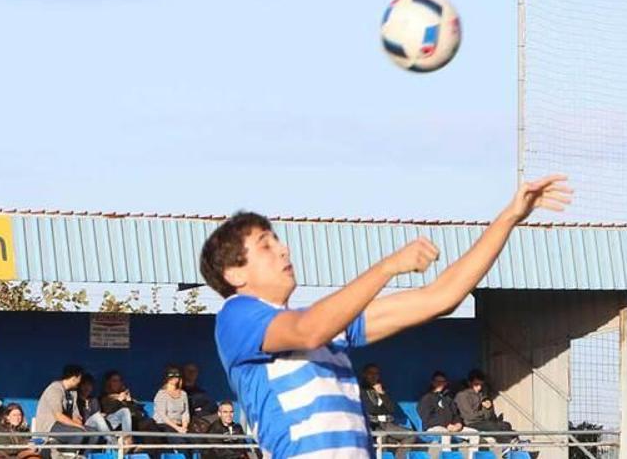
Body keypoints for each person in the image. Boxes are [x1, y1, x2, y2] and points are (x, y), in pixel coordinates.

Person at [201, 175, 569, 458]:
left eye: (277, 240)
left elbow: (439, 298)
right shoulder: (237, 316)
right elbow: (308, 330)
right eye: (266, 244)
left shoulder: (330, 327)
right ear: (235, 274)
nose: (283, 249)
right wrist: (388, 267)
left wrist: (508, 217)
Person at [359, 364, 416, 459]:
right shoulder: (361, 390)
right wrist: (381, 410)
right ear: (365, 374)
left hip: (387, 424)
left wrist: (382, 394)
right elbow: (369, 409)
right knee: (383, 437)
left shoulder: (382, 390)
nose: (373, 376)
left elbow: (391, 409)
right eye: (370, 373)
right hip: (372, 424)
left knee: (411, 435)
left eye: (376, 373)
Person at [417, 372, 476, 459]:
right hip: (433, 428)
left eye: (443, 381)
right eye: (438, 381)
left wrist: (458, 424)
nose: (440, 384)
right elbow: (427, 418)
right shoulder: (426, 398)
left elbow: (456, 414)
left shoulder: (448, 398)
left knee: (474, 434)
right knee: (446, 433)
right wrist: (446, 425)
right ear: (433, 382)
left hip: (451, 427)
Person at [33, 365, 91, 449]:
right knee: (78, 435)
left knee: (94, 433)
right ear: (75, 378)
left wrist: (78, 421)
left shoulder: (73, 392)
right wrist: (78, 426)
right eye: (80, 378)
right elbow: (58, 416)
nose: (80, 381)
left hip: (66, 425)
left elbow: (75, 414)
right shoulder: (55, 389)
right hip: (50, 425)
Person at [454, 370, 515, 447]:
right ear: (469, 383)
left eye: (481, 385)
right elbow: (469, 417)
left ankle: (516, 442)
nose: (479, 387)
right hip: (470, 423)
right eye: (476, 384)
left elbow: (490, 416)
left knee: (506, 425)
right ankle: (507, 444)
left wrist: (489, 408)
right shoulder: (462, 396)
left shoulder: (482, 395)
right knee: (491, 426)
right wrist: (483, 412)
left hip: (483, 422)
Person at [76, 373, 130, 445]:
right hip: (86, 426)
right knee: (97, 417)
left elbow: (100, 415)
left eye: (89, 385)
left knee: (124, 411)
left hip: (101, 426)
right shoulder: (76, 399)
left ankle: (128, 440)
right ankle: (114, 444)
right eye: (84, 385)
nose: (87, 387)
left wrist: (103, 416)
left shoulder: (93, 400)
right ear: (80, 386)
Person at [153, 367, 191, 444]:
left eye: (177, 376)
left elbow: (185, 413)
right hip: (164, 425)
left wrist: (184, 427)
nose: (175, 379)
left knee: (195, 441)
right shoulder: (162, 394)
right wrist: (177, 428)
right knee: (181, 443)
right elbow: (162, 415)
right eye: (172, 377)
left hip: (180, 425)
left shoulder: (183, 394)